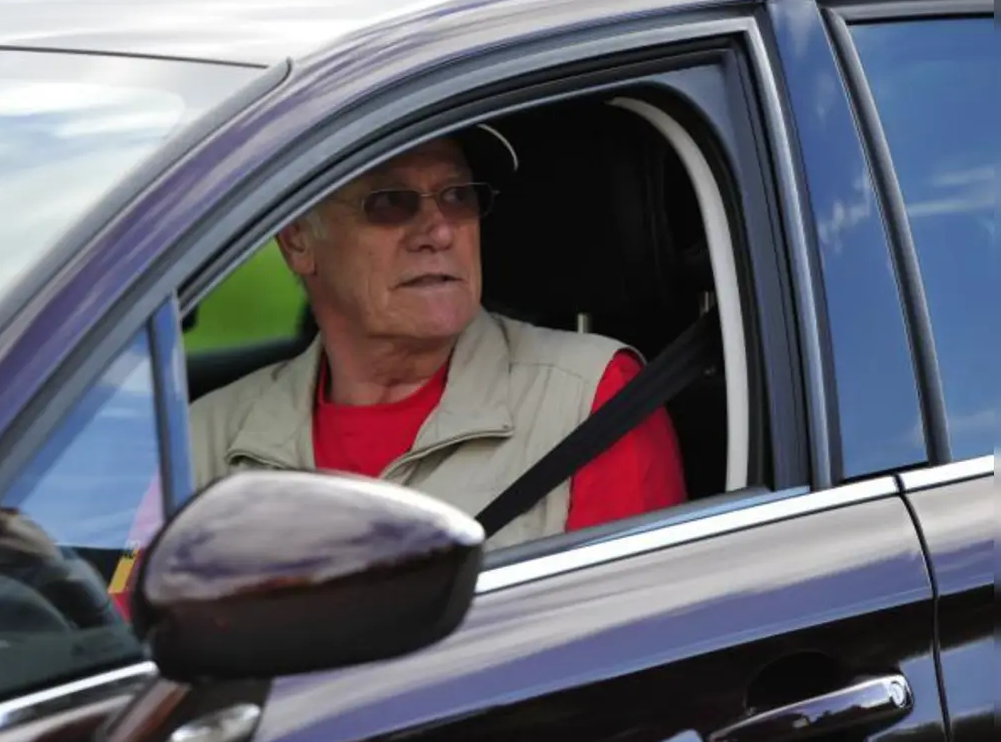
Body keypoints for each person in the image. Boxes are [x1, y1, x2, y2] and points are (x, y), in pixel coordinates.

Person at [188, 129, 686, 549]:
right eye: (389, 203)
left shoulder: (591, 399)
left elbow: (631, 646)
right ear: (298, 241)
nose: (440, 231)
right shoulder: (202, 438)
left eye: (458, 196)